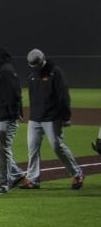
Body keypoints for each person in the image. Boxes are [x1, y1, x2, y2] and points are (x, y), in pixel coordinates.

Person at [22, 49, 83, 190]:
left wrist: (66, 116)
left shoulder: (56, 73)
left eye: (36, 64)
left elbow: (63, 96)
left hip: (52, 117)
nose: (35, 67)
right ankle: (32, 179)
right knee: (32, 148)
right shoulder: (32, 76)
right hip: (35, 118)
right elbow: (32, 97)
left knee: (57, 146)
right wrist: (32, 115)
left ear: (43, 60)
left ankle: (77, 173)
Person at [0, 46, 24, 194]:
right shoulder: (2, 71)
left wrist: (15, 113)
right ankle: (17, 174)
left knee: (2, 149)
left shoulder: (6, 71)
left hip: (5, 117)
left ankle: (4, 183)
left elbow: (14, 94)